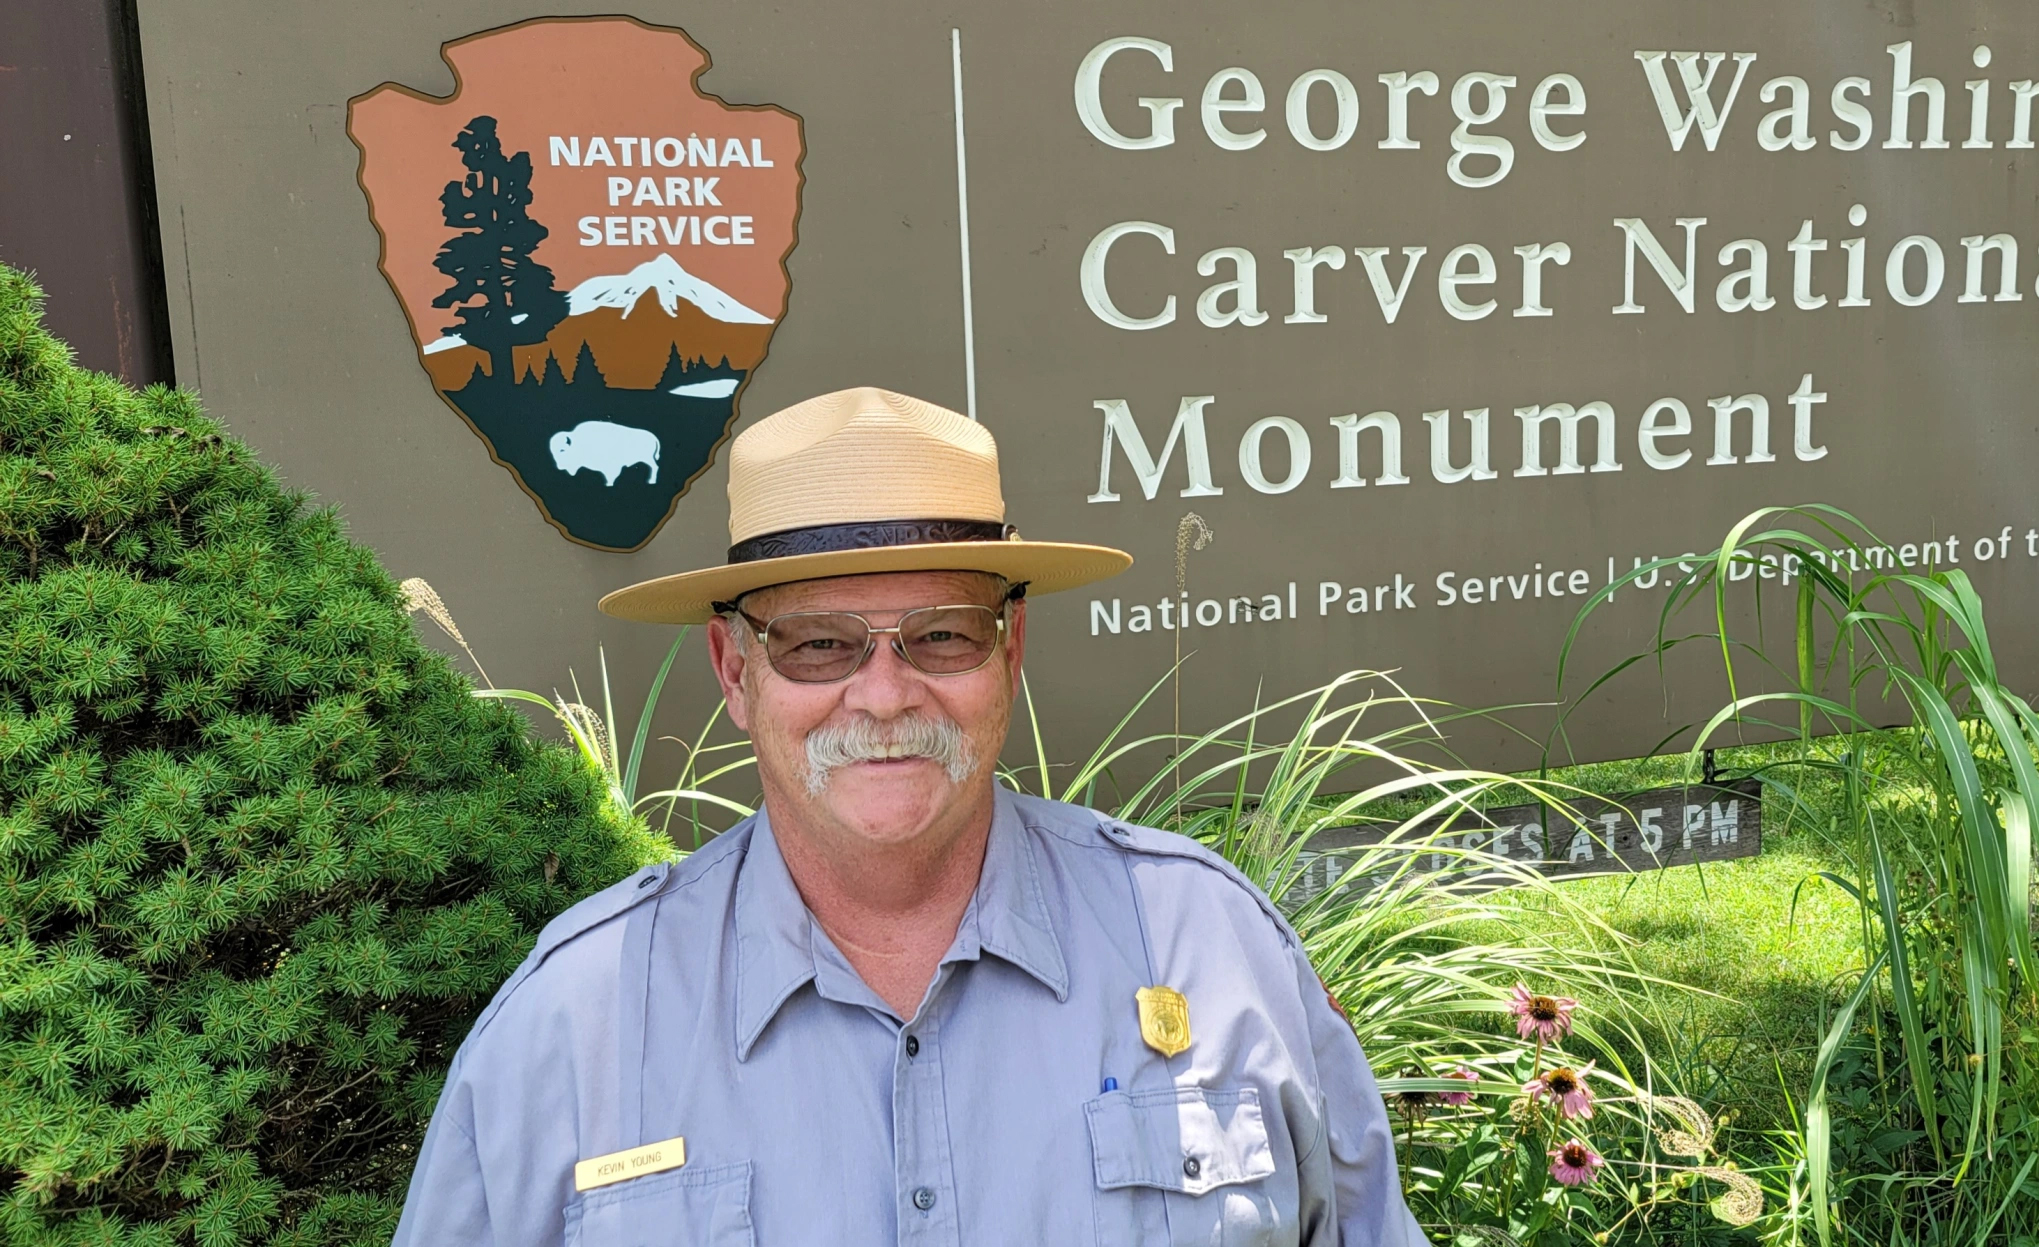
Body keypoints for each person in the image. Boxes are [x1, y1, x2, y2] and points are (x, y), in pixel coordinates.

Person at [389, 386, 1427, 1246]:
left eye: (940, 634)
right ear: (732, 669)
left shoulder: (1213, 944)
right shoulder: (574, 1023)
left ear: (1009, 653)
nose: (884, 696)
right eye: (819, 644)